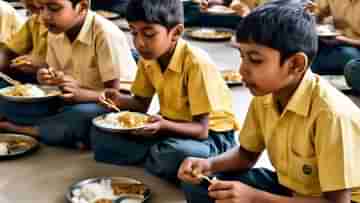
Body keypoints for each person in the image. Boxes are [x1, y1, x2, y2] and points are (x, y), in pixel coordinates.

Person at [178, 4, 360, 203]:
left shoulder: (331, 114)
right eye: (242, 56)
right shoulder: (265, 95)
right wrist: (209, 164)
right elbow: (246, 156)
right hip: (291, 191)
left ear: (296, 64)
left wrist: (256, 198)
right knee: (202, 186)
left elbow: (338, 202)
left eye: (255, 60)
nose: (242, 70)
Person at [91, 0, 238, 182]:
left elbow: (201, 130)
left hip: (214, 136)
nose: (139, 43)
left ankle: (160, 157)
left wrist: (163, 126)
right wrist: (118, 99)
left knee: (176, 153)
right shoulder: (149, 58)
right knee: (100, 136)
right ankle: (157, 157)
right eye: (134, 32)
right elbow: (140, 104)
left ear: (175, 32)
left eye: (149, 34)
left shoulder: (196, 63)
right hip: (171, 127)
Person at [0, 0, 137, 149]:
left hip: (103, 103)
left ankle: (27, 130)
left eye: (53, 8)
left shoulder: (105, 33)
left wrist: (81, 94)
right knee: (14, 100)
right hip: (68, 101)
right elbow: (56, 76)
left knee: (81, 117)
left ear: (82, 7)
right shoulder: (56, 30)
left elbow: (116, 96)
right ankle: (63, 133)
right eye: (41, 8)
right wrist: (45, 77)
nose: (44, 16)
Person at [306, 0, 360, 75]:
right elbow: (316, 11)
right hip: (334, 42)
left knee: (348, 56)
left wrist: (346, 40)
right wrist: (309, 14)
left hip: (354, 47)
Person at [0, 0, 47, 84]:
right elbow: (9, 51)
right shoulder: (34, 20)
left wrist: (45, 65)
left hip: (48, 79)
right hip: (35, 77)